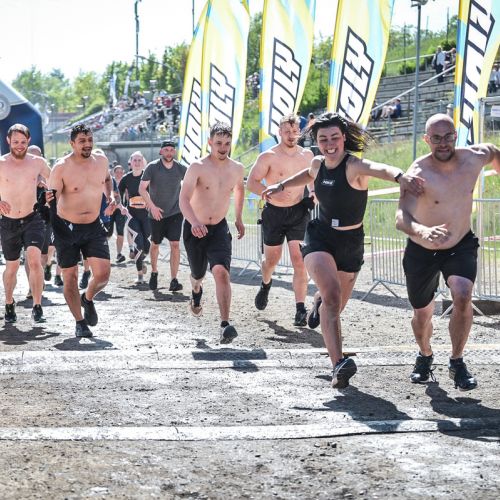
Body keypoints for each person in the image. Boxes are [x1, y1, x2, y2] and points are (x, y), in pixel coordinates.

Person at [263, 112, 423, 388]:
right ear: (316, 141)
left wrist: (400, 177)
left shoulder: (354, 166)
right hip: (320, 237)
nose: (329, 144)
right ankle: (338, 364)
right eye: (323, 139)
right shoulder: (317, 163)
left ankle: (317, 304)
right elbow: (308, 174)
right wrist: (281, 185)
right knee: (333, 296)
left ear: (344, 138)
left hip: (351, 242)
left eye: (334, 138)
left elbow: (379, 168)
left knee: (334, 306)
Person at [396, 113, 500, 391]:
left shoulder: (473, 158)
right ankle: (425, 354)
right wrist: (422, 231)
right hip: (422, 249)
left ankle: (457, 361)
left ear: (456, 136)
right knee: (422, 314)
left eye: (448, 136)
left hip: (460, 243)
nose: (443, 143)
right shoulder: (418, 172)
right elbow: (401, 217)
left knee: (463, 294)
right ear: (426, 139)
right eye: (436, 138)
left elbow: (493, 151)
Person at [179, 122, 245, 344]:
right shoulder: (197, 167)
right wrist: (194, 222)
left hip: (219, 228)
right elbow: (183, 199)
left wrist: (238, 217)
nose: (223, 147)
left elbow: (239, 189)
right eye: (218, 143)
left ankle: (225, 324)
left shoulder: (236, 168)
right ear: (210, 142)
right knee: (198, 274)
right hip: (195, 228)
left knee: (221, 272)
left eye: (227, 143)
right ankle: (196, 289)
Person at [47, 124, 115, 338]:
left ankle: (87, 298)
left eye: (90, 140)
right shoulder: (61, 167)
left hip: (93, 225)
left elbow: (107, 179)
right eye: (82, 141)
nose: (87, 144)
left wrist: (111, 196)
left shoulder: (101, 161)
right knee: (70, 277)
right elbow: (51, 200)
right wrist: (47, 203)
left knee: (103, 275)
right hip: (67, 228)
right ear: (72, 143)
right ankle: (79, 322)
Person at [247, 114, 314, 326]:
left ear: (299, 132)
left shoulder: (307, 155)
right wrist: (266, 192)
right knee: (271, 261)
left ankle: (300, 309)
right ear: (279, 132)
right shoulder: (268, 156)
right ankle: (266, 284)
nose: (291, 136)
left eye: (295, 132)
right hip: (274, 214)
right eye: (287, 132)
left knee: (299, 259)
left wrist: (313, 193)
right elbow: (251, 182)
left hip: (298, 212)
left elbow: (313, 180)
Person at [0, 124, 51, 323]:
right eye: (15, 142)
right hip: (8, 222)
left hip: (33, 218)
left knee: (34, 261)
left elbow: (56, 179)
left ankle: (37, 306)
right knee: (12, 267)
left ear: (28, 141)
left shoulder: (37, 162)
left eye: (23, 142)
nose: (19, 145)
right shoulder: (1, 163)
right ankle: (9, 302)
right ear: (8, 141)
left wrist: (50, 191)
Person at [139, 140, 187, 292]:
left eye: (171, 150)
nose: (169, 153)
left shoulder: (180, 168)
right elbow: (142, 189)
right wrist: (152, 207)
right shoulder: (152, 167)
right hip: (156, 213)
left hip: (175, 212)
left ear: (174, 152)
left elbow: (192, 183)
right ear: (161, 152)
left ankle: (174, 280)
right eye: (166, 150)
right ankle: (154, 272)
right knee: (155, 244)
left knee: (175, 244)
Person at [119, 151, 150, 284]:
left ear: (143, 162)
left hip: (147, 215)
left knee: (146, 246)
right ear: (130, 163)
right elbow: (117, 195)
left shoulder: (148, 177)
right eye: (134, 160)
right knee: (139, 243)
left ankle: (141, 259)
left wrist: (152, 204)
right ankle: (140, 276)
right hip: (132, 215)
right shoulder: (126, 178)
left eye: (139, 160)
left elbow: (156, 194)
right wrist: (121, 207)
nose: (137, 163)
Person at [107, 164, 127, 263]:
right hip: (110, 209)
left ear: (123, 172)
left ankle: (119, 254)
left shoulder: (125, 182)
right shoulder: (110, 182)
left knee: (120, 231)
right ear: (113, 173)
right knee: (108, 233)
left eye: (120, 172)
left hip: (120, 210)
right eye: (117, 172)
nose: (119, 174)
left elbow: (127, 196)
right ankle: (104, 253)